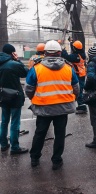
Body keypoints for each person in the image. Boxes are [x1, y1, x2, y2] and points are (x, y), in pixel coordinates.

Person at [25, 40, 80, 170]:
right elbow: (76, 88)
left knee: (40, 133)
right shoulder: (68, 68)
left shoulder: (36, 68)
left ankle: (34, 158)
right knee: (60, 134)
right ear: (60, 52)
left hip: (43, 108)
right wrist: (71, 99)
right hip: (63, 107)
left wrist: (34, 99)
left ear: (45, 53)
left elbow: (28, 89)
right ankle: (56, 160)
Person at [0, 44, 29, 155]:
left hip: (2, 96)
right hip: (15, 96)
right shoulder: (13, 64)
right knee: (15, 122)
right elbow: (26, 72)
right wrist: (18, 60)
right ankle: (15, 147)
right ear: (12, 53)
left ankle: (3, 144)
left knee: (4, 121)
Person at [61, 39, 87, 114]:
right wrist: (71, 42)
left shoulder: (76, 57)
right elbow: (74, 48)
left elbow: (67, 57)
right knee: (80, 90)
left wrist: (63, 50)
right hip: (82, 74)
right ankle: (81, 105)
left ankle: (82, 107)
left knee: (79, 91)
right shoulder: (81, 54)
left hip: (79, 75)